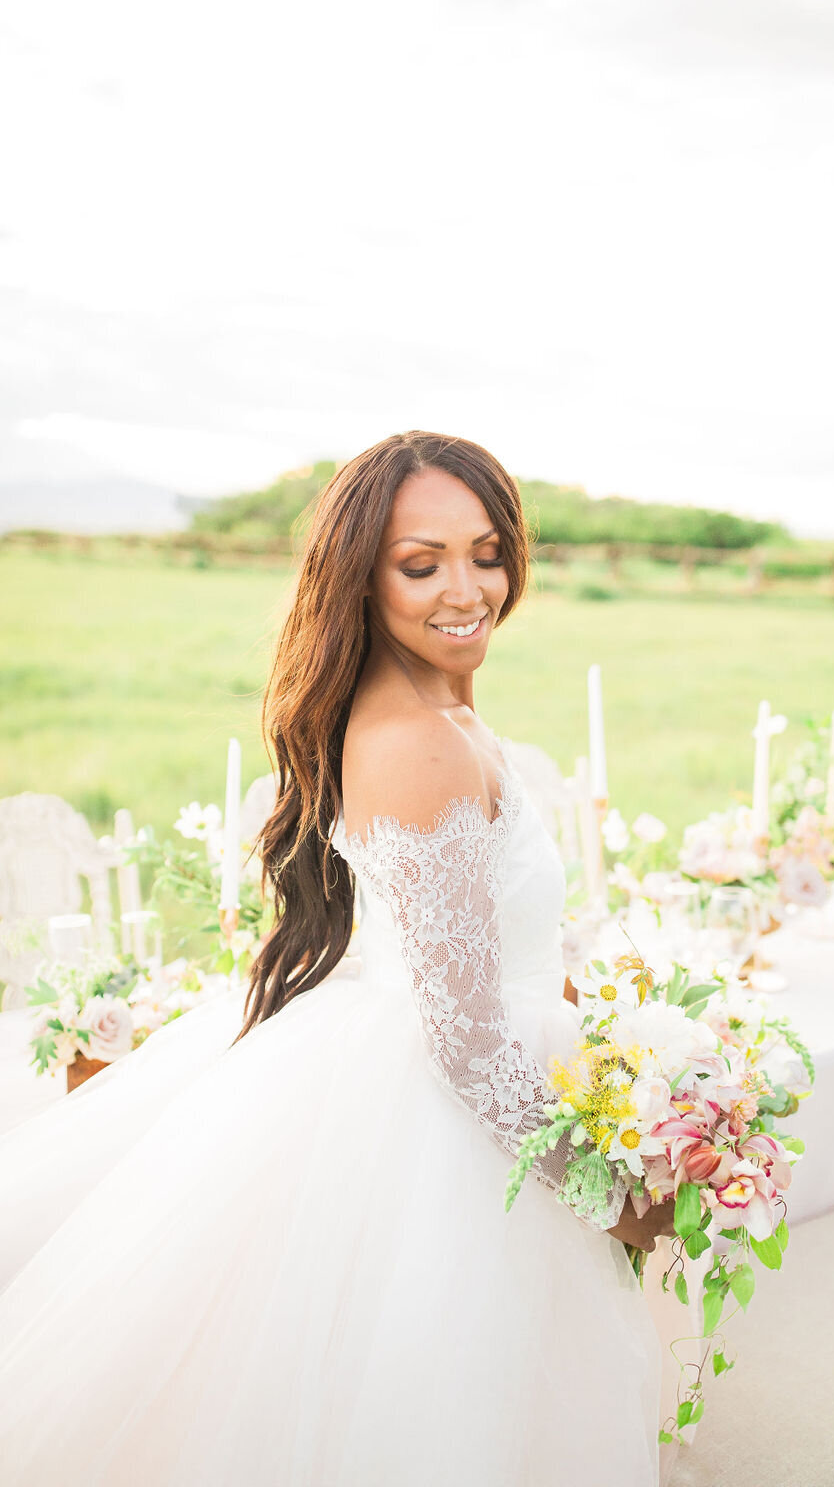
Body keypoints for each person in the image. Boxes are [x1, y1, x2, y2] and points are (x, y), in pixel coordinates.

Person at [0, 431, 673, 1485]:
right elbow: (465, 1041)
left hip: (464, 1070)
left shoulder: (435, 701)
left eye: (487, 552)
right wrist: (602, 1187)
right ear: (362, 577)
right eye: (422, 563)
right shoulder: (418, 739)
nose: (468, 588)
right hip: (448, 1126)